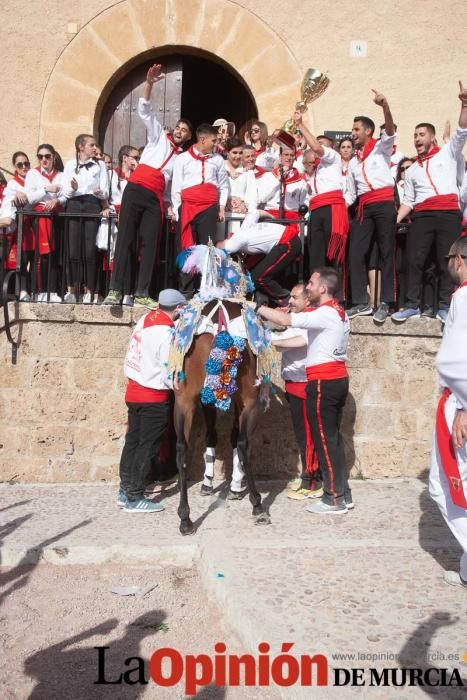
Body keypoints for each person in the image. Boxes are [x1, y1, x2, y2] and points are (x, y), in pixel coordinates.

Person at [255, 267, 352, 513]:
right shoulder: (339, 312)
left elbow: (287, 320)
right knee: (334, 440)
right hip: (336, 379)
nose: (307, 287)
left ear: (323, 288)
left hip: (324, 382)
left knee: (325, 440)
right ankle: (343, 492)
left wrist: (255, 307)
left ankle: (334, 498)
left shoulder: (327, 312)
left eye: (311, 283)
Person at [104, 65, 192, 308]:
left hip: (155, 198)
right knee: (125, 240)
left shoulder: (182, 159)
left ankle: (142, 291)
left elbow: (173, 186)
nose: (180, 132)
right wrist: (150, 84)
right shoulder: (157, 137)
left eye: (185, 131)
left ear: (188, 137)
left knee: (150, 244)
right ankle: (115, 290)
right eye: (179, 128)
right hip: (136, 189)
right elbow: (145, 111)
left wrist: (171, 207)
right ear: (173, 130)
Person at [392, 81, 467, 324]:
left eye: (421, 134)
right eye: (414, 135)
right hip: (422, 216)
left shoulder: (448, 153)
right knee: (414, 260)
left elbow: (462, 131)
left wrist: (464, 103)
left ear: (432, 137)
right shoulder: (411, 170)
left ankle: (445, 306)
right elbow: (409, 201)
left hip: (448, 214)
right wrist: (394, 220)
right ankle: (412, 304)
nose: (416, 138)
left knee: (447, 261)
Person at [117, 288, 187, 513]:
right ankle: (135, 497)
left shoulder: (145, 319)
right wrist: (178, 385)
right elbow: (169, 371)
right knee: (147, 447)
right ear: (177, 308)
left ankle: (125, 489)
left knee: (133, 442)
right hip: (152, 397)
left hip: (134, 392)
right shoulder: (166, 334)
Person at [218, 137, 307, 306]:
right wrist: (275, 181)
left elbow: (255, 204)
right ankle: (262, 298)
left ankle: (287, 301)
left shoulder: (299, 178)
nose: (288, 158)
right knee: (258, 268)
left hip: (286, 231)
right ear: (279, 157)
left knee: (263, 271)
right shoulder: (268, 176)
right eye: (285, 154)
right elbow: (260, 202)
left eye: (291, 155)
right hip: (257, 221)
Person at [429, 236, 467, 587]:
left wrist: (464, 408)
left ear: (459, 259)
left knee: (443, 486)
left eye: (449, 257)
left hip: (460, 402)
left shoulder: (461, 297)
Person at [345, 89, 398, 324]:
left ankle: (386, 301)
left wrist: (384, 105)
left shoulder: (381, 147)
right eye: (353, 129)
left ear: (368, 131)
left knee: (387, 252)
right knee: (356, 252)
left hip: (385, 203)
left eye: (357, 129)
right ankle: (360, 302)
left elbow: (390, 129)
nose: (353, 133)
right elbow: (350, 194)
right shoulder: (354, 162)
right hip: (364, 208)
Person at [271, 283, 324, 500]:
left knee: (309, 437)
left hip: (303, 385)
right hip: (293, 385)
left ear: (307, 300)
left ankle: (313, 482)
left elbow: (299, 342)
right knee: (302, 436)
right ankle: (307, 478)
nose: (290, 301)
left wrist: (273, 341)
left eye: (294, 297)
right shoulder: (298, 317)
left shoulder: (310, 318)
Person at [171, 123, 228, 295]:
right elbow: (176, 186)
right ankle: (186, 290)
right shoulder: (182, 159)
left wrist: (222, 206)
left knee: (207, 247)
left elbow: (223, 186)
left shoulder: (218, 159)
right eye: (213, 140)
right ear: (203, 139)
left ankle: (207, 289)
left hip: (209, 207)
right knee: (187, 247)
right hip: (187, 206)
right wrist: (176, 209)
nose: (216, 143)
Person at [294, 112, 348, 272]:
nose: (316, 148)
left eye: (321, 145)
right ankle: (315, 291)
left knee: (333, 255)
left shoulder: (333, 157)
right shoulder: (313, 172)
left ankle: (335, 292)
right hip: (316, 210)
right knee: (316, 254)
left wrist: (300, 125)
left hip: (331, 208)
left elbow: (316, 148)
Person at [63, 134, 109, 303]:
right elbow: (64, 191)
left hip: (92, 204)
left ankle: (89, 290)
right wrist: (72, 188)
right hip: (74, 204)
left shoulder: (100, 165)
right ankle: (72, 290)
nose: (95, 148)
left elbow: (106, 191)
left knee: (89, 251)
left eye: (95, 145)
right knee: (73, 250)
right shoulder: (70, 165)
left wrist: (99, 193)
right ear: (81, 147)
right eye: (91, 145)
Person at [25, 143, 66, 302]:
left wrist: (56, 200)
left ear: (53, 157)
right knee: (42, 255)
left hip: (57, 215)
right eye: (40, 156)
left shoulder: (61, 175)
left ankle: (53, 290)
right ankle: (40, 290)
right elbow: (29, 198)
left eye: (47, 156)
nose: (44, 159)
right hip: (40, 216)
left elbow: (66, 195)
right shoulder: (32, 174)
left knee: (56, 254)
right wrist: (46, 190)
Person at [1, 152, 35, 300]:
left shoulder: (34, 178)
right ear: (15, 167)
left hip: (35, 224)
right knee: (22, 259)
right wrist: (16, 196)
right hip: (22, 226)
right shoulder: (13, 184)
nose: (24, 167)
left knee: (37, 260)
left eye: (26, 163)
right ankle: (22, 290)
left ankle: (34, 290)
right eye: (20, 165)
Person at [217, 137, 257, 239]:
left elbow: (252, 198)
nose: (238, 156)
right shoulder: (218, 168)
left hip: (240, 219)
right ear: (227, 152)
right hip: (220, 216)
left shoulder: (248, 172)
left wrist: (248, 221)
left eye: (240, 153)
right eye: (234, 153)